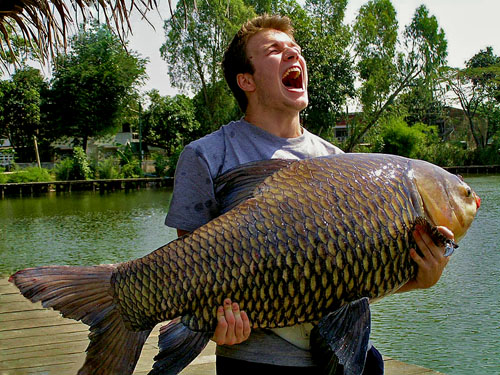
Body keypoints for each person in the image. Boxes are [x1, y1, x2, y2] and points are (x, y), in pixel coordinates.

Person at [165, 14, 453, 375]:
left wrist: (419, 280)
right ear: (246, 80)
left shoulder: (341, 164)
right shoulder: (207, 155)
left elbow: (351, 278)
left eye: (296, 50)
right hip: (255, 362)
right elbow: (188, 275)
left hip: (342, 359)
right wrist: (212, 324)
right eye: (274, 50)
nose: (292, 55)